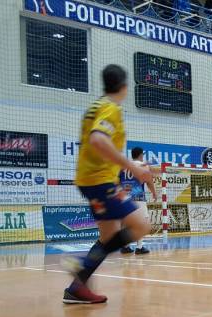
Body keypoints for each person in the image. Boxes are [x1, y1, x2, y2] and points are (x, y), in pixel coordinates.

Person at [61, 65, 153, 304]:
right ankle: (81, 268)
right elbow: (98, 139)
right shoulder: (111, 108)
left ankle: (76, 288)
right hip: (100, 180)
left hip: (89, 178)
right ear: (124, 87)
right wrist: (132, 167)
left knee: (109, 234)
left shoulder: (95, 106)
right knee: (141, 225)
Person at [119, 147, 156, 255]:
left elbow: (117, 180)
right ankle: (139, 247)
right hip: (138, 196)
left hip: (125, 196)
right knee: (142, 222)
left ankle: (125, 246)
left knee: (126, 221)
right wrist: (154, 192)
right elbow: (149, 181)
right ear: (141, 155)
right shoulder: (143, 165)